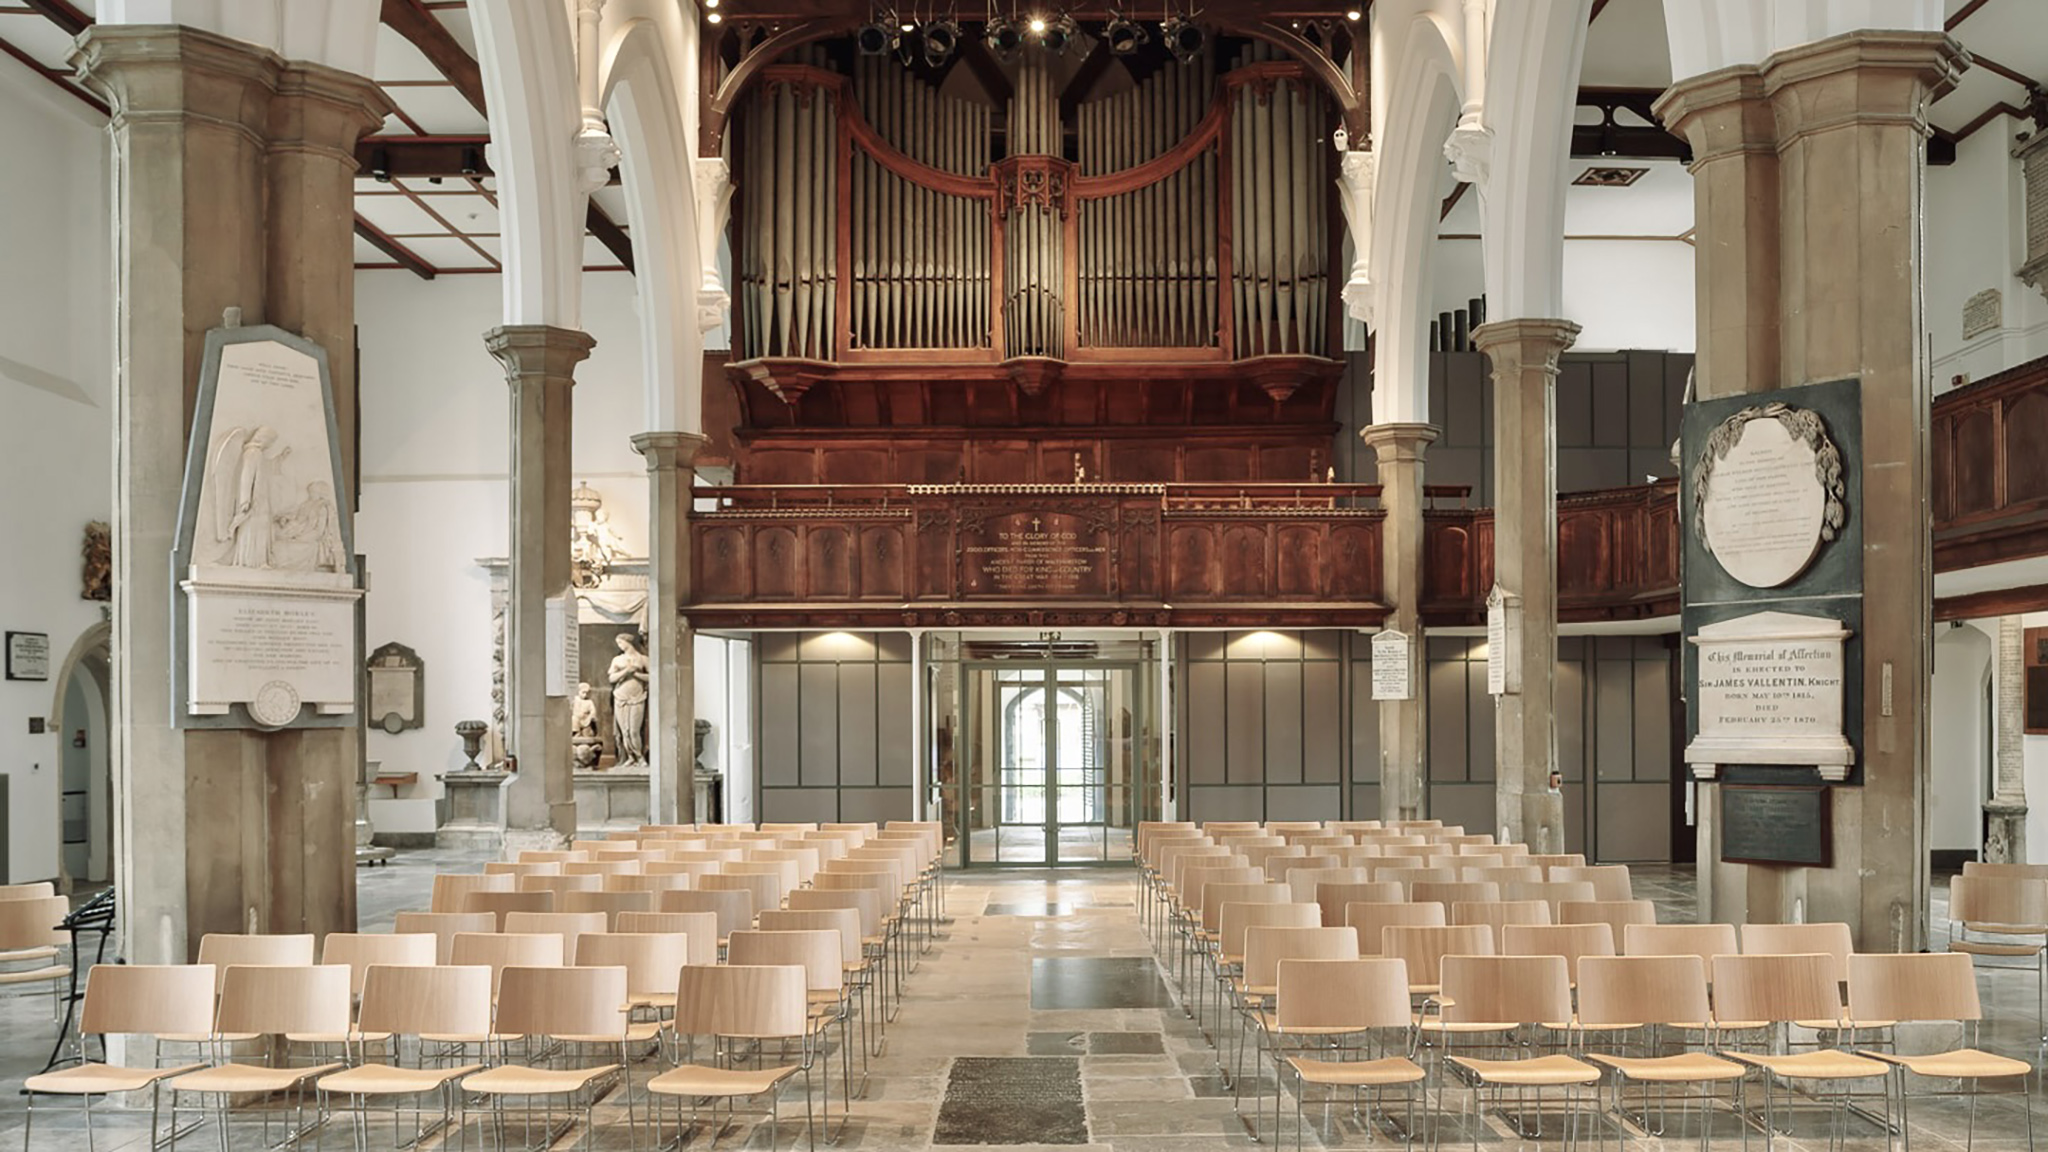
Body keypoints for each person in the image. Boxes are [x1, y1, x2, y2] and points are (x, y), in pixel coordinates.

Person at [608, 633, 650, 766]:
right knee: (624, 731)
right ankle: (630, 757)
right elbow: (611, 679)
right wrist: (626, 671)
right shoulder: (617, 659)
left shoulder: (643, 659)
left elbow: (652, 677)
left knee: (634, 730)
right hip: (620, 696)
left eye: (620, 643)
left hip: (637, 697)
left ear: (628, 642)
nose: (619, 646)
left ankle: (640, 757)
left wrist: (635, 673)